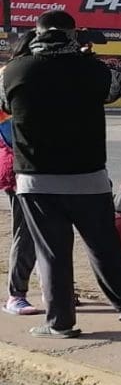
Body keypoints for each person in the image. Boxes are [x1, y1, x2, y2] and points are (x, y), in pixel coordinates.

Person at [0, 10, 121, 338]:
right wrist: (86, 57)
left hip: (36, 179)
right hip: (89, 177)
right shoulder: (96, 71)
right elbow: (115, 91)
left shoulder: (12, 71)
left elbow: (7, 105)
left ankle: (61, 323)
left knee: (52, 252)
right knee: (104, 246)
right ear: (74, 34)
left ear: (37, 32)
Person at [2, 31, 39, 316]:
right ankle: (16, 294)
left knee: (50, 232)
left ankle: (58, 287)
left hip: (44, 164)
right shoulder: (10, 77)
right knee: (25, 231)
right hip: (21, 165)